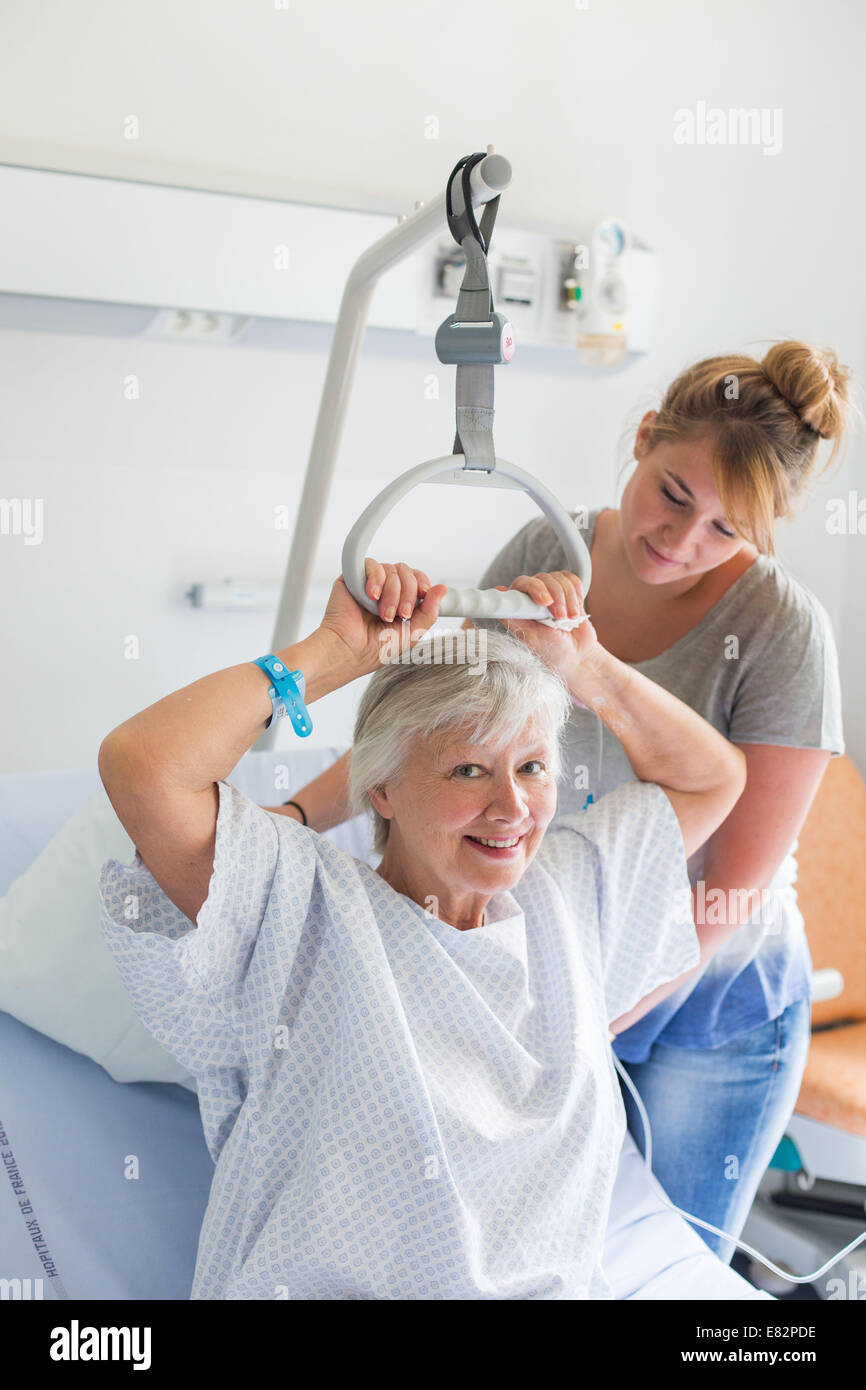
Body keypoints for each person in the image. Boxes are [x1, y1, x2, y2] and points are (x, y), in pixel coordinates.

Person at [279, 340, 853, 1263]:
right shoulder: (547, 551)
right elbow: (431, 728)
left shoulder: (782, 631)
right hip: (573, 951)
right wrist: (297, 819)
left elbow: (730, 890)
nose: (681, 541)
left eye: (725, 531)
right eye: (673, 494)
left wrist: (586, 1007)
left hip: (713, 1002)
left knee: (670, 1258)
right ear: (644, 437)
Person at [97, 561, 752, 1299]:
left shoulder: (568, 897)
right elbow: (143, 764)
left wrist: (584, 665)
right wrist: (333, 654)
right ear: (380, 787)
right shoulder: (301, 902)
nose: (512, 808)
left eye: (532, 767)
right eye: (469, 770)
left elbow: (714, 779)